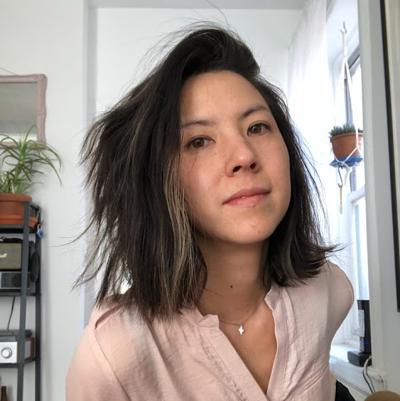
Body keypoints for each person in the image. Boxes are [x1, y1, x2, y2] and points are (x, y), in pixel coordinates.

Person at [66, 25, 354, 401]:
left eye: (257, 127)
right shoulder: (114, 355)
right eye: (199, 141)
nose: (244, 156)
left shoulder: (329, 290)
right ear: (156, 179)